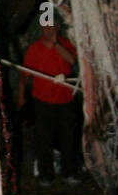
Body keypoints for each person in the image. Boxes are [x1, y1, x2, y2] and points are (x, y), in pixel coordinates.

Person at [17, 17, 80, 185]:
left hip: (65, 99)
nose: (49, 30)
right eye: (45, 27)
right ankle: (46, 174)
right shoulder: (34, 49)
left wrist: (56, 45)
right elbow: (25, 75)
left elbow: (72, 61)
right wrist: (21, 97)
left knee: (68, 138)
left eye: (52, 26)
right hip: (42, 101)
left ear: (58, 27)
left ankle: (69, 172)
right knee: (43, 139)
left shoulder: (66, 44)